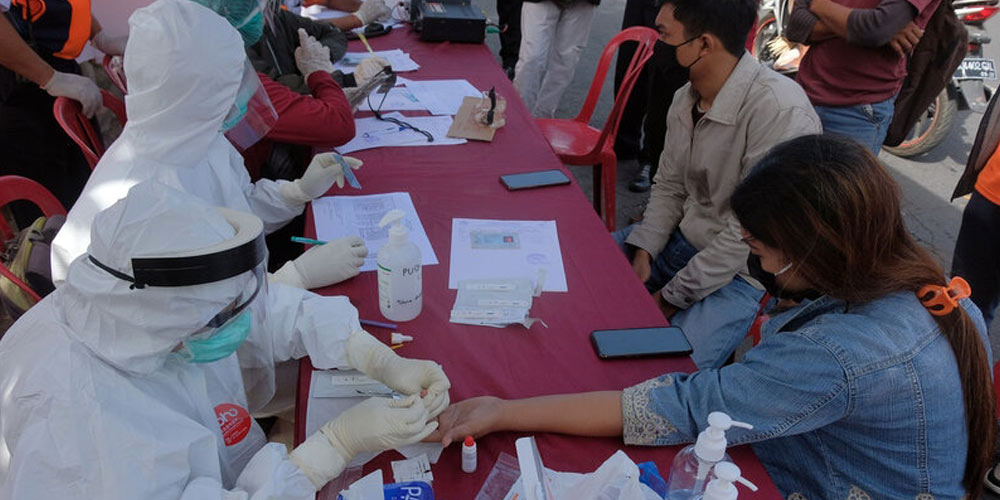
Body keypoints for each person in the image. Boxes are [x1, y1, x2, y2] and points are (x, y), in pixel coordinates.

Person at [428, 134, 996, 499]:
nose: (757, 260)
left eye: (759, 244)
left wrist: (506, 410)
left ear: (809, 247)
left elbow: (688, 407)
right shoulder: (929, 289)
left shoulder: (839, 353)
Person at [0, 181, 449, 497]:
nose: (240, 319)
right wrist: (335, 445)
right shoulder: (85, 433)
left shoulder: (135, 315)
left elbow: (251, 311)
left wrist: (372, 355)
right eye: (220, 315)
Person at [50, 0, 370, 291]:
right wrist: (293, 278)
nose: (241, 100)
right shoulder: (150, 201)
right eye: (229, 87)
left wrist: (295, 192)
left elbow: (235, 210)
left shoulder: (196, 140)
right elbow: (208, 326)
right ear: (197, 90)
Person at [615, 0, 820, 369]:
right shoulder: (685, 98)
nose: (654, 45)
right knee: (576, 275)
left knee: (661, 380)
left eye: (664, 36)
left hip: (742, 274)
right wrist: (644, 249)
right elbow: (669, 187)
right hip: (680, 242)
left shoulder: (780, 112)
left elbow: (746, 237)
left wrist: (667, 298)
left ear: (704, 44)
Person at [0, 2, 126, 225]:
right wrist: (50, 79)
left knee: (90, 196)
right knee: (50, 222)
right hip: (23, 83)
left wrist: (98, 36)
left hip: (60, 73)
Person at [785, 0, 940, 153]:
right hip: (804, 95)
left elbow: (877, 28)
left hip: (857, 111)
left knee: (836, 179)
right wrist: (868, 25)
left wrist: (819, 5)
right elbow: (796, 26)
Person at [512, 0, 599, 118]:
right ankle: (519, 117)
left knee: (565, 63)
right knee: (532, 58)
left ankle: (542, 119)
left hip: (583, 3)